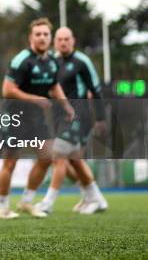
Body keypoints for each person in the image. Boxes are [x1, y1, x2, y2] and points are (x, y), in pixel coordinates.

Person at [0, 17, 74, 219]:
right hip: (14, 116)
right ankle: (3, 207)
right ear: (31, 37)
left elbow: (54, 86)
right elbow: (7, 90)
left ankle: (26, 202)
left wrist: (66, 105)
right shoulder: (22, 60)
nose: (42, 38)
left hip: (37, 118)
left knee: (47, 157)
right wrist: (36, 99)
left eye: (46, 34)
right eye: (38, 34)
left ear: (50, 38)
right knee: (10, 163)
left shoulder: (53, 62)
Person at [34, 27, 108, 214]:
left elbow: (96, 90)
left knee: (58, 154)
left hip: (79, 116)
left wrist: (101, 118)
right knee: (75, 161)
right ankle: (96, 198)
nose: (63, 42)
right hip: (59, 118)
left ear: (73, 40)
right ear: (55, 41)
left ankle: (48, 203)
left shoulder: (82, 61)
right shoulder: (51, 62)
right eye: (59, 39)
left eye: (67, 38)